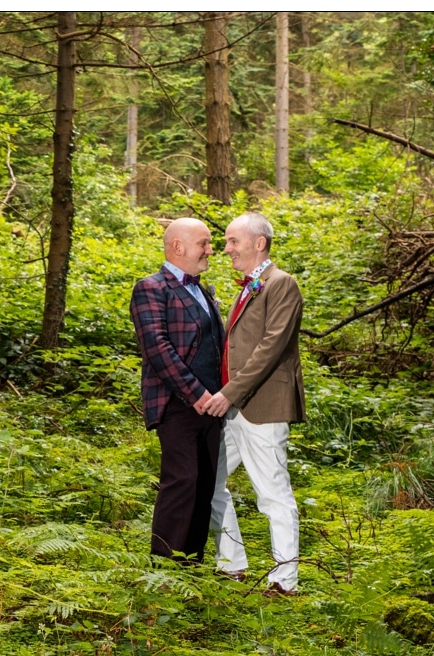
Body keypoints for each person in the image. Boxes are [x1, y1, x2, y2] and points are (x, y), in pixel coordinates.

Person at [202, 212, 306, 596]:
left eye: (233, 241)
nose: (226, 249)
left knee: (273, 493)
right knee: (209, 483)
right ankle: (232, 564)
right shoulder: (248, 286)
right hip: (232, 408)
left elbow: (270, 348)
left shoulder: (281, 284)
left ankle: (285, 581)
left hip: (262, 405)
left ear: (258, 243)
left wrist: (228, 393)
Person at [129, 217, 226, 565]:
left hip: (213, 406)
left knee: (205, 484)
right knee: (182, 480)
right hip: (176, 404)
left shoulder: (204, 290)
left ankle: (192, 564)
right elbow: (157, 348)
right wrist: (195, 394)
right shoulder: (151, 289)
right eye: (204, 243)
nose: (210, 250)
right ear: (178, 247)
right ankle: (165, 564)